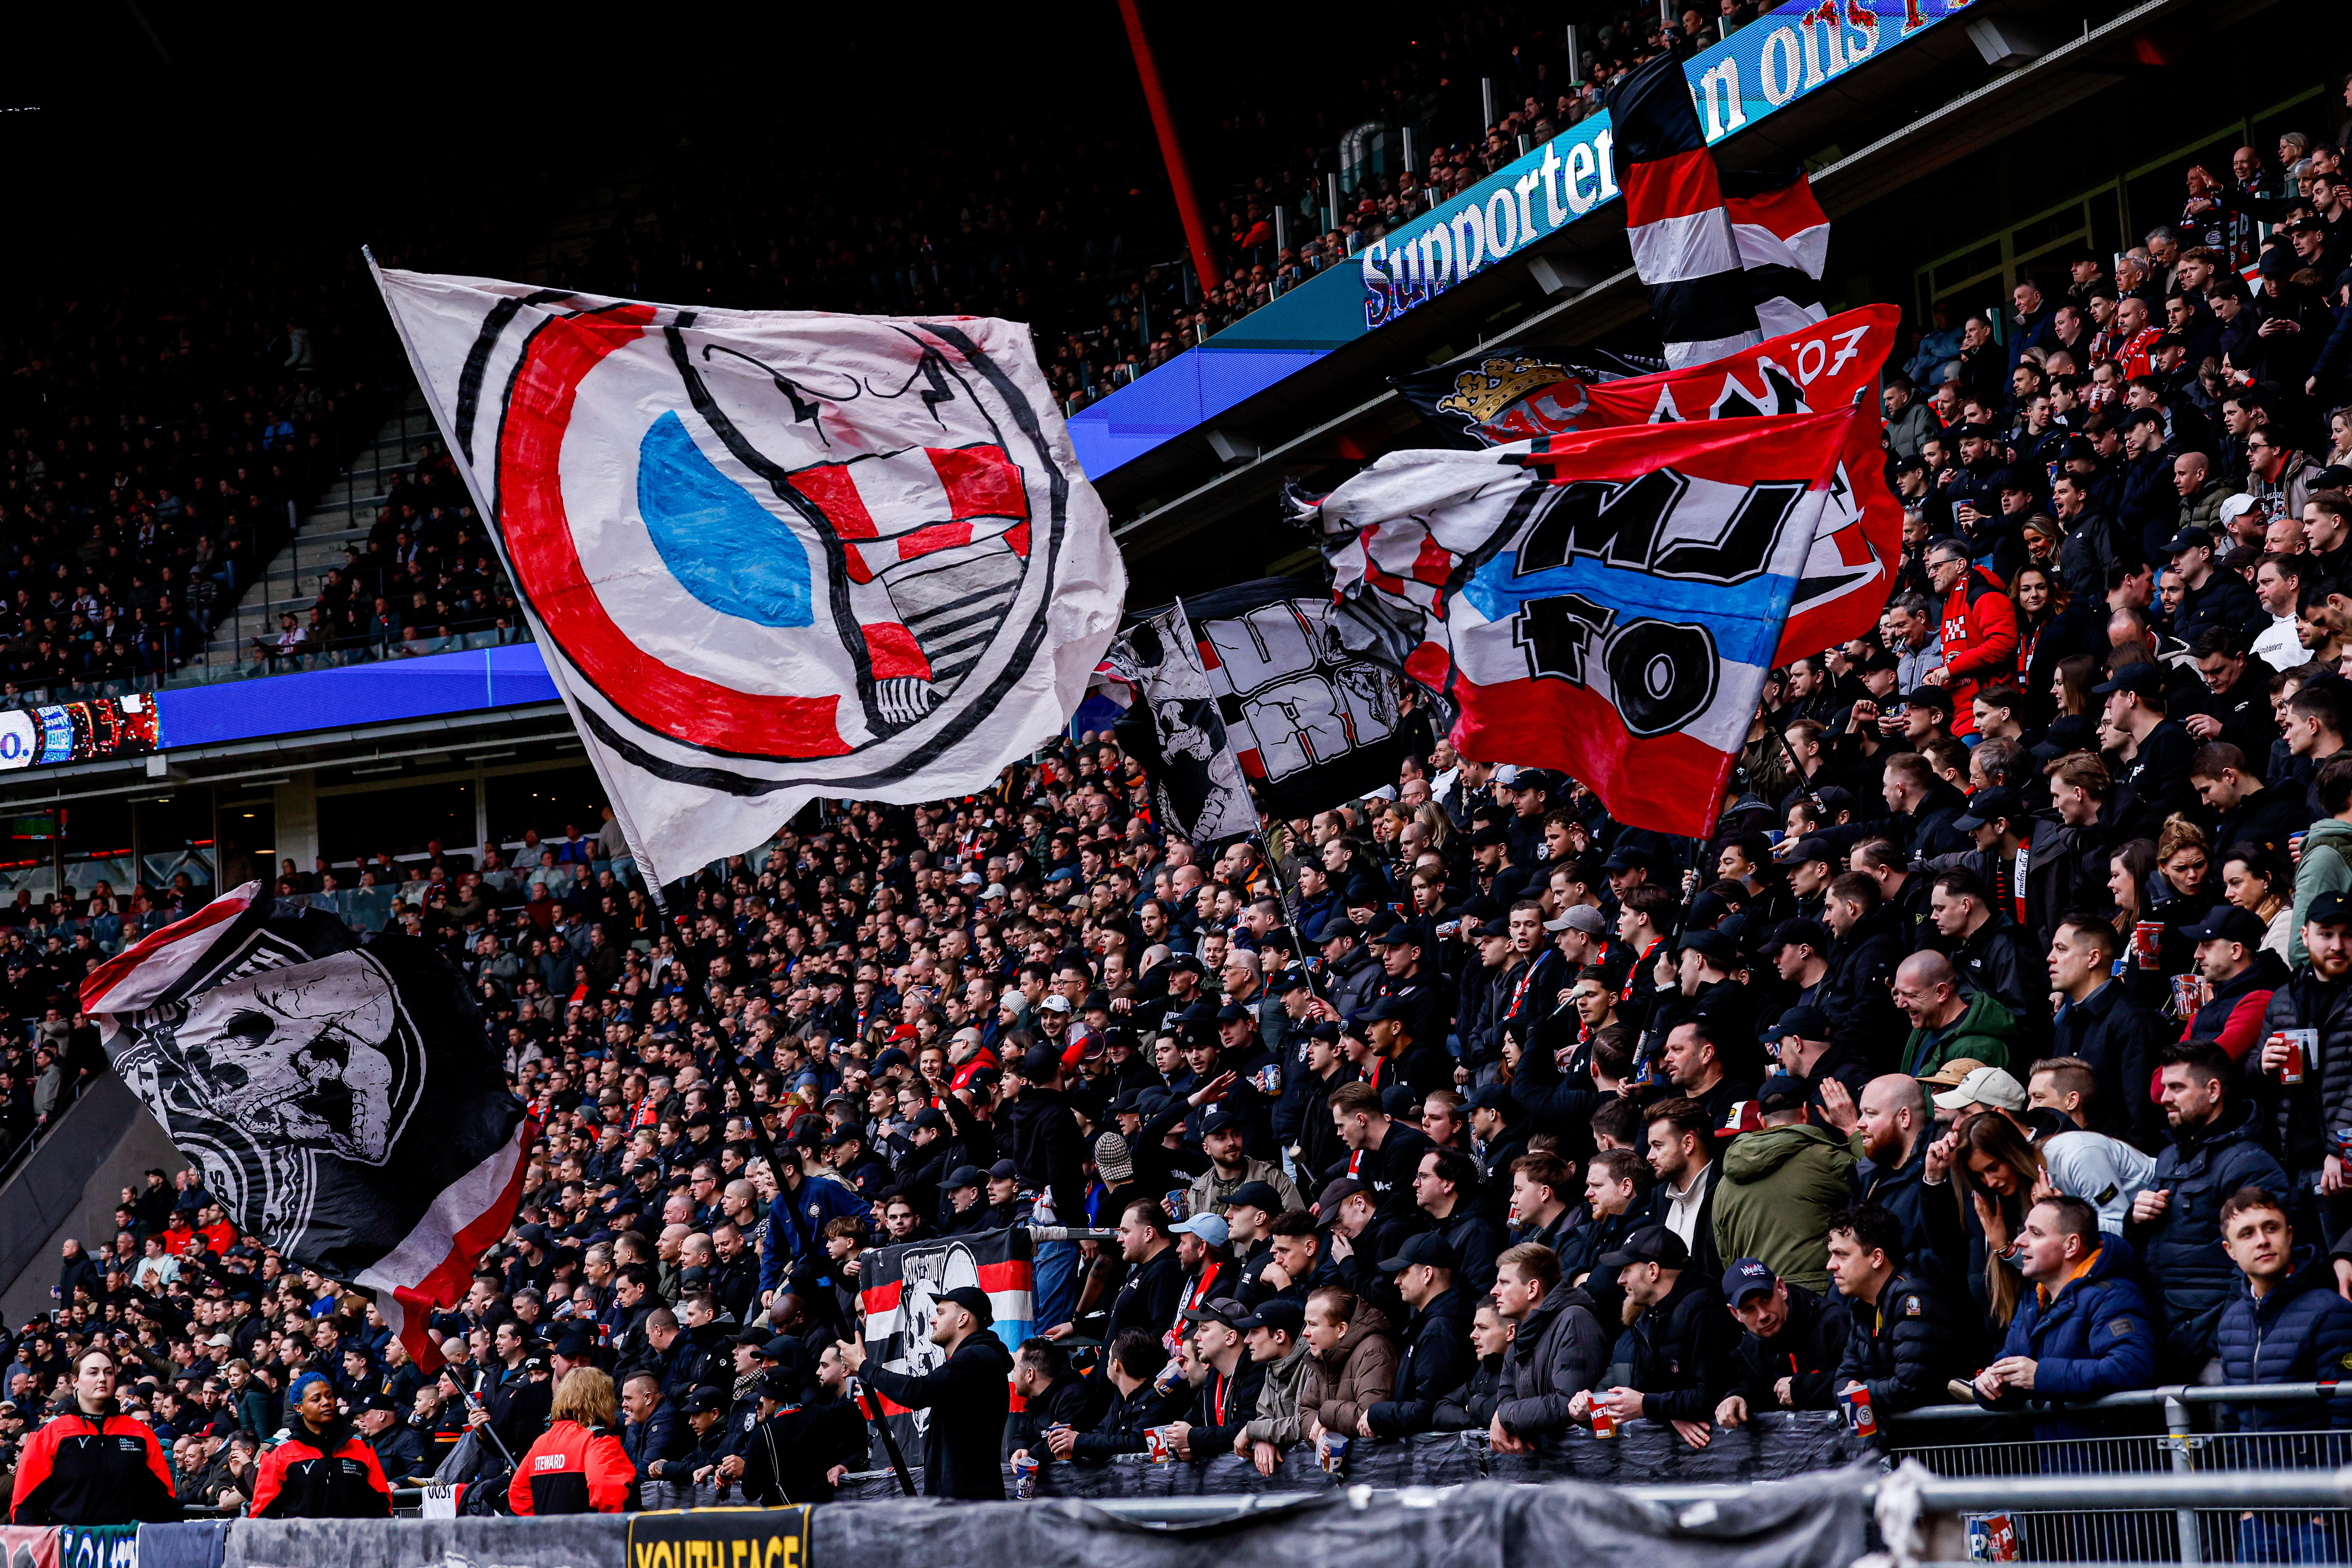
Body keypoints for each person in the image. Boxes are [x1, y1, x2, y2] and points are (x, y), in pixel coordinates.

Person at [2130, 1043, 2290, 1373]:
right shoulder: (2168, 1158)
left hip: (2215, 1353)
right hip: (2166, 1340)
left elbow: (2262, 1260)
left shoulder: (2249, 1163)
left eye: (2176, 1088)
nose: (2164, 1098)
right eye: (2164, 1088)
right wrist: (2134, 1220)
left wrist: (2220, 1340)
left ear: (2213, 1091)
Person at [1970, 1195, 2159, 1437]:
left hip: (2112, 1466)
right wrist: (1989, 1385)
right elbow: (2010, 1368)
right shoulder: (2033, 1300)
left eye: (2035, 1234)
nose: (2019, 1241)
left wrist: (2041, 1375)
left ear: (2071, 1246)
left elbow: (2133, 1368)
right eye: (2023, 1231)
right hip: (2059, 1464)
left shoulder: (2114, 1296)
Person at [836, 1284, 1012, 1499]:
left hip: (969, 1503)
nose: (932, 1320)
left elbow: (915, 1392)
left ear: (963, 1319)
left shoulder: (975, 1359)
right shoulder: (977, 1359)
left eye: (941, 1313)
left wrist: (863, 1366)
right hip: (965, 1499)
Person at [2213, 1186, 2352, 1430]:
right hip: (2253, 1469)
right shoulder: (2231, 1323)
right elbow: (2232, 1418)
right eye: (2247, 1234)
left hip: (2317, 1468)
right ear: (2230, 1250)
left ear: (2289, 1235)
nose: (2263, 1241)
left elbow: (2346, 1412)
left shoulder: (2331, 1312)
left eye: (2271, 1228)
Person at [1589, 1225, 1738, 1450]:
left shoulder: (1705, 1309)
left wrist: (1649, 1406)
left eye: (1627, 1270)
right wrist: (1671, 1414)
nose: (1620, 1280)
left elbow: (1716, 1394)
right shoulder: (1649, 1315)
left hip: (1727, 1454)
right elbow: (1650, 1389)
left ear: (1653, 1271)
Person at [1711, 1075, 1858, 1294]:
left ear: (1762, 1119)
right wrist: (1853, 1129)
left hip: (1759, 1303)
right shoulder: (1827, 1160)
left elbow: (1727, 1256)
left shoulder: (1725, 1183)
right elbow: (1878, 1184)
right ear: (1807, 1111)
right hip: (1820, 1301)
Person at [9, 1346, 178, 1524]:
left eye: (109, 1373)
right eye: (93, 1373)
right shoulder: (49, 1434)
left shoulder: (140, 1433)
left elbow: (164, 1501)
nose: (102, 1379)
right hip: (70, 1546)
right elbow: (26, 1504)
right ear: (75, 1381)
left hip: (127, 1546)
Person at [1830, 1204, 1969, 1418]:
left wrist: (1862, 1392)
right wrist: (1852, 1390)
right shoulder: (1864, 1306)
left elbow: (1912, 1386)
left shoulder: (1915, 1296)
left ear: (1877, 1258)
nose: (1831, 1265)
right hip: (1918, 1443)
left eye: (1842, 1255)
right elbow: (1844, 1378)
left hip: (1958, 1443)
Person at [1487, 1242, 1606, 1451]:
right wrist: (1508, 1417)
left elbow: (1568, 1404)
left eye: (1504, 1283)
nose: (1494, 1291)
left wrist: (1505, 1417)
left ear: (1532, 1289)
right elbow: (1505, 1400)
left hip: (1587, 1470)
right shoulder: (1523, 1335)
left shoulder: (1574, 1320)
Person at [1362, 1232, 1475, 1439]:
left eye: (1404, 1272)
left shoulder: (1441, 1329)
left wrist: (1377, 1414)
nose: (1396, 1281)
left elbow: (1427, 1411)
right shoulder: (1434, 1323)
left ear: (1427, 1274)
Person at [1713, 1258, 1852, 1425]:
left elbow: (1864, 1378)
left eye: (1766, 1299)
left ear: (1781, 1288)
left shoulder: (1834, 1322)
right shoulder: (1748, 1349)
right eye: (1749, 1309)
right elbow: (1750, 1386)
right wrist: (1736, 1398)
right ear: (1736, 1314)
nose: (1763, 1315)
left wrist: (1803, 1388)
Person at [248, 1371, 395, 1518]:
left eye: (329, 1396)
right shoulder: (279, 1455)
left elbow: (382, 1503)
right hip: (303, 1541)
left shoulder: (362, 1449)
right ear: (299, 1408)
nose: (326, 1402)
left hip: (353, 1540)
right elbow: (262, 1514)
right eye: (316, 1399)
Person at [508, 1368, 635, 1515]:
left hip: (548, 1535)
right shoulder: (597, 1440)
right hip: (588, 1535)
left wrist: (543, 1526)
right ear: (602, 1401)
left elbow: (518, 1494)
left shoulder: (542, 1442)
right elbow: (609, 1495)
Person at [1232, 1300, 1316, 1473]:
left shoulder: (1314, 1363)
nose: (1247, 1341)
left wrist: (1252, 1431)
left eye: (1254, 1332)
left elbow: (1306, 1425)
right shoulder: (1274, 1367)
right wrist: (1262, 1439)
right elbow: (1265, 1418)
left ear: (1279, 1336)